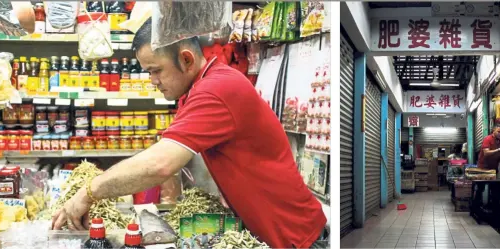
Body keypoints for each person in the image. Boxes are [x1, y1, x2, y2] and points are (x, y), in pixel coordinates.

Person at [52, 20, 326, 248]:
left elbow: (160, 165)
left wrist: (88, 193)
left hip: (296, 238)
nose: (152, 81)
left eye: (156, 70)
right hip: (274, 233)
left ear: (186, 59)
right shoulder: (196, 89)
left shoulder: (217, 89)